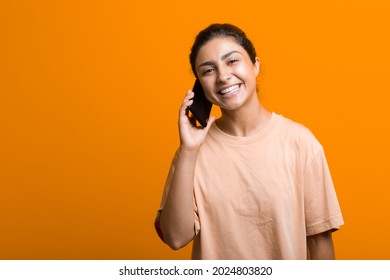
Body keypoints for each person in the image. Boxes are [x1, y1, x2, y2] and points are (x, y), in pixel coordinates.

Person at [155, 23, 344, 260]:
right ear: (200, 87)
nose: (223, 76)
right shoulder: (190, 152)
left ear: (255, 65)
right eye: (208, 71)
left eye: (232, 61)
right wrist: (189, 150)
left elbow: (320, 244)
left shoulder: (301, 143)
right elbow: (175, 238)